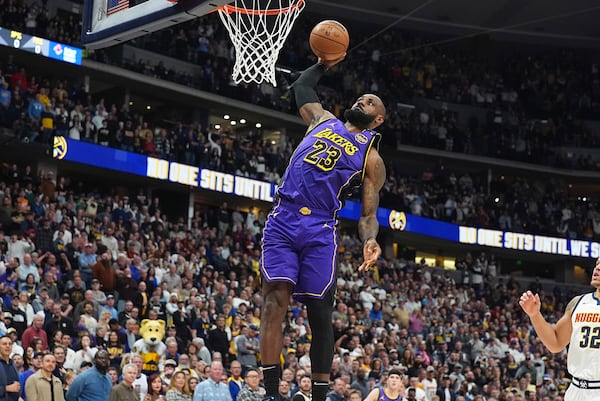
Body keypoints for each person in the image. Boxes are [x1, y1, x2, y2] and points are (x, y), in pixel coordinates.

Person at [260, 56, 386, 401]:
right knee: (274, 301)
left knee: (320, 313)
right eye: (361, 97)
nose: (362, 99)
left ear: (378, 119)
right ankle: (271, 394)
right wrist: (322, 63)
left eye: (371, 102)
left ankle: (319, 396)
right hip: (284, 219)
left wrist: (371, 239)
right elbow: (301, 86)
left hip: (319, 227)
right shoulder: (322, 119)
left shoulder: (371, 157)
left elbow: (368, 213)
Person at [520, 258, 600, 401]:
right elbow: (555, 343)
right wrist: (535, 315)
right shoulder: (578, 303)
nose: (597, 268)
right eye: (597, 264)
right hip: (576, 390)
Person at [0, 335, 21, 401]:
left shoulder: (13, 364)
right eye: (4, 344)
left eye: (10, 344)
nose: (8, 346)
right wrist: (6, 388)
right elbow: (9, 388)